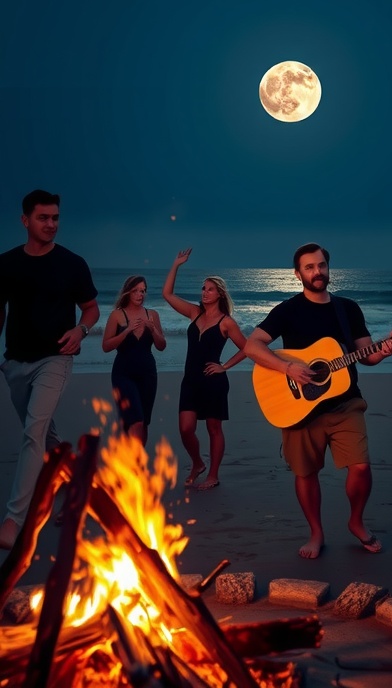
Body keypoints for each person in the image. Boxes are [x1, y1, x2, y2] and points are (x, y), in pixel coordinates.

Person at [243, 242, 392, 559]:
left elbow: (366, 355)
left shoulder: (347, 309)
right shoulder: (288, 310)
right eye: (310, 267)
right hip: (300, 408)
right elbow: (253, 346)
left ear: (329, 268)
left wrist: (383, 352)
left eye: (321, 265)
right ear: (298, 273)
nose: (317, 272)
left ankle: (356, 521)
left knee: (360, 466)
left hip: (346, 403)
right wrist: (287, 366)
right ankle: (316, 532)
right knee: (306, 473)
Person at [0, 189, 99, 550]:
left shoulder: (72, 263)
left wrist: (80, 330)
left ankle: (14, 520)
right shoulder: (6, 264)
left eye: (55, 218)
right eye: (43, 218)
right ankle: (79, 484)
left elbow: (90, 308)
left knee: (32, 431)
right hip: (15, 362)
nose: (51, 224)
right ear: (25, 221)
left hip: (55, 359)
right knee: (44, 437)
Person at [162, 248, 247, 490]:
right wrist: (176, 265)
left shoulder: (226, 322)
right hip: (190, 380)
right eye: (203, 288)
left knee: (213, 428)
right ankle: (198, 462)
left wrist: (225, 366)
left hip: (213, 381)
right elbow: (167, 294)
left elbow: (248, 348)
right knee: (186, 428)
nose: (204, 292)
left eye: (209, 289)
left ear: (219, 294)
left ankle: (213, 474)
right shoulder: (194, 313)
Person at [102, 275, 167, 446]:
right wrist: (126, 332)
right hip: (123, 374)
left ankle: (134, 465)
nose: (140, 294)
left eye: (143, 291)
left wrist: (153, 330)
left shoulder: (152, 315)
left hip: (147, 374)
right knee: (134, 419)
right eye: (136, 291)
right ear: (127, 292)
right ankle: (132, 464)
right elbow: (106, 346)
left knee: (143, 422)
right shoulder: (117, 315)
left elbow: (161, 346)